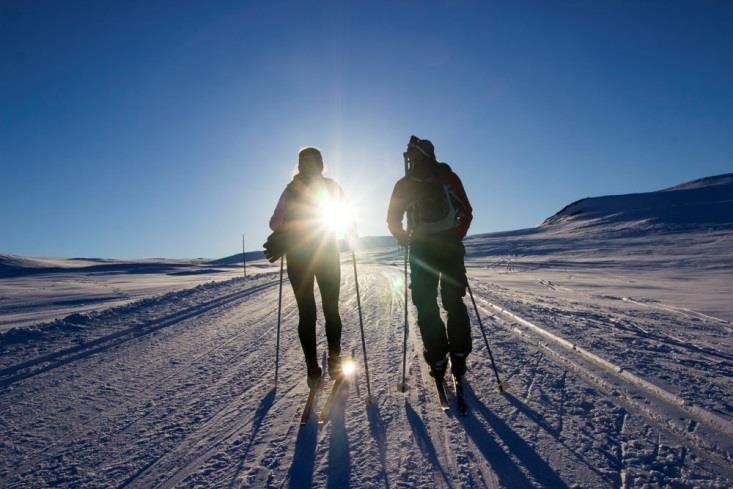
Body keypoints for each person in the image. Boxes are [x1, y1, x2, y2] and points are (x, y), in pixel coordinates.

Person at [387, 135, 473, 382]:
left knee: (425, 302)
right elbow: (466, 212)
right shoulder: (448, 176)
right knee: (453, 300)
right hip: (450, 246)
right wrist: (456, 236)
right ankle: (458, 356)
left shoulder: (404, 184)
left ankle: (437, 357)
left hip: (421, 248)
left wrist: (404, 238)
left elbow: (393, 220)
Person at [265, 147, 345, 388]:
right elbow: (344, 216)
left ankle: (312, 366)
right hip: (327, 252)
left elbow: (274, 223)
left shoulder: (291, 189)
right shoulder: (331, 186)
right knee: (331, 308)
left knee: (306, 312)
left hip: (298, 255)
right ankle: (334, 360)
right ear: (322, 165)